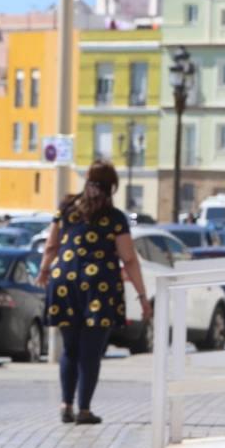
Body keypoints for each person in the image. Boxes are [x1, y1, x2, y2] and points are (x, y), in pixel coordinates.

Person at [36, 160, 150, 424]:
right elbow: (129, 259)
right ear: (111, 188)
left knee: (70, 348)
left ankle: (66, 405)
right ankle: (84, 409)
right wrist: (143, 297)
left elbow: (52, 245)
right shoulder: (114, 218)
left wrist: (44, 270)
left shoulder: (66, 208)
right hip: (99, 286)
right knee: (91, 351)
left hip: (64, 281)